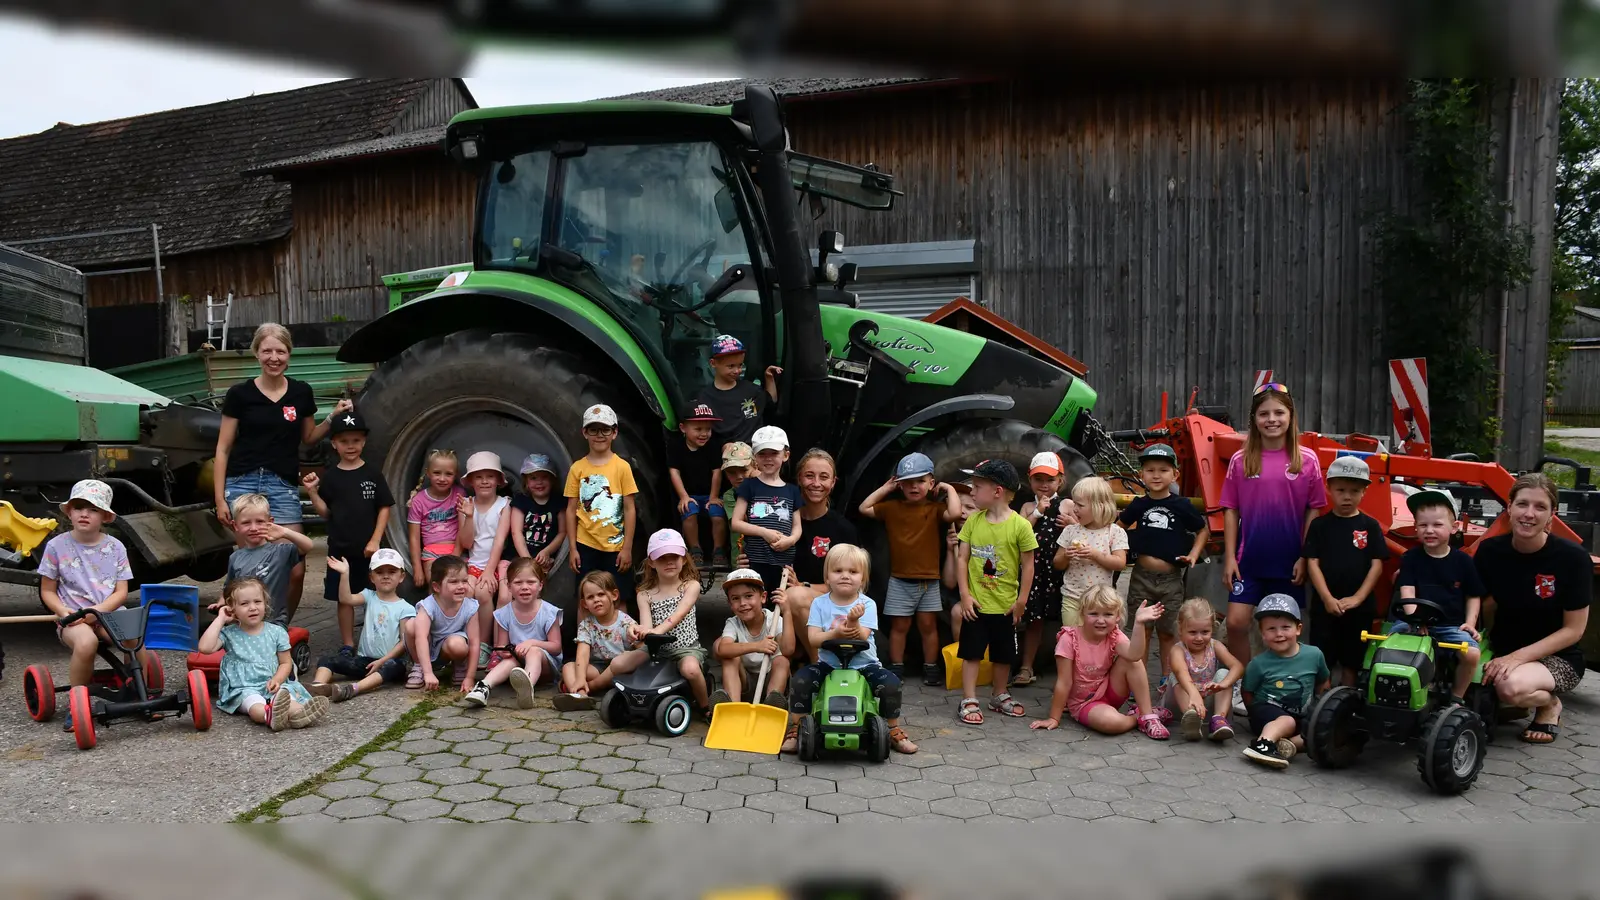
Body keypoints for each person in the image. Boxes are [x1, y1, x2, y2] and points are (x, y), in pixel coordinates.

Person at [214, 322, 352, 623]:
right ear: (256, 354)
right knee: (251, 569)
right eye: (267, 351)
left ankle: (278, 627)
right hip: (242, 485)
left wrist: (333, 417)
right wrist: (221, 500)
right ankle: (249, 630)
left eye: (280, 351)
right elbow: (222, 449)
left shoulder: (301, 393)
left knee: (295, 567)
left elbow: (309, 437)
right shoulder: (239, 394)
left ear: (289, 355)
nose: (273, 357)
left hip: (281, 486)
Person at [1220, 382, 1326, 714]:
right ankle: (1242, 682)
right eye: (1264, 414)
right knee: (1236, 622)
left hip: (1289, 562)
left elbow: (1315, 509)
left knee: (1286, 628)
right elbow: (1230, 510)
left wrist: (1305, 557)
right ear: (1254, 419)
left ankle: (1293, 687)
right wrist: (1228, 557)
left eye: (1279, 412)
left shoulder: (1306, 460)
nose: (1272, 419)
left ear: (1291, 417)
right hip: (1249, 560)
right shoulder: (1241, 461)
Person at [1474, 473, 1593, 744]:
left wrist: (1516, 658)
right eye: (1522, 504)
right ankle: (1509, 701)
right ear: (1509, 508)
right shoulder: (1490, 551)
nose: (1529, 514)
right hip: (1503, 648)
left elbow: (1573, 631)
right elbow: (1479, 603)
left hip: (1556, 658)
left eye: (1540, 507)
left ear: (1552, 515)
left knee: (1510, 687)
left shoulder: (1573, 559)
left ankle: (1548, 704)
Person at [783, 543, 918, 754]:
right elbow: (814, 639)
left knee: (891, 684)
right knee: (801, 680)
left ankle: (892, 728)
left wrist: (854, 620)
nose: (845, 576)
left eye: (853, 572)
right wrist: (835, 634)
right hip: (828, 664)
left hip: (864, 665)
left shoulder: (868, 605)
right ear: (827, 577)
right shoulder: (819, 604)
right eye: (838, 571)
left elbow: (862, 636)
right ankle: (797, 727)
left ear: (862, 579)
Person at [37, 479, 137, 731]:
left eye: (93, 509)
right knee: (87, 642)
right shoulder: (56, 546)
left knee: (133, 637)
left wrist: (97, 613)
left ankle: (140, 692)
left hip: (106, 612)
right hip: (73, 617)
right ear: (69, 511)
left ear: (104, 516)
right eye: (79, 507)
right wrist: (62, 611)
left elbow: (121, 592)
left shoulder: (115, 547)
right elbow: (47, 591)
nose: (84, 513)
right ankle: (77, 702)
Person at [859, 453, 960, 684]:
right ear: (900, 484)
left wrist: (949, 488)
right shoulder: (892, 508)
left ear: (931, 483)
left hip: (929, 581)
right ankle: (896, 668)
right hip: (900, 580)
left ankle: (931, 667)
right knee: (899, 626)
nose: (914, 486)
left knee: (928, 626)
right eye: (908, 482)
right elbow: (864, 508)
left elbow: (954, 513)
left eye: (921, 481)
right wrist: (886, 488)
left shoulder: (935, 509)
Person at [302, 407, 394, 654]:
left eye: (355, 440)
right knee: (344, 598)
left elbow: (385, 507)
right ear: (334, 443)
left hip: (369, 550)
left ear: (363, 441)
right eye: (344, 441)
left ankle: (375, 641)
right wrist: (312, 492)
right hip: (340, 550)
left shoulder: (373, 473)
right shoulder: (331, 477)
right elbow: (325, 512)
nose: (350, 446)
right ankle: (347, 643)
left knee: (374, 596)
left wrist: (376, 540)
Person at [1118, 444, 1208, 688]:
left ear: (1175, 475)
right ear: (1141, 475)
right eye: (1149, 470)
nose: (1156, 475)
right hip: (1141, 578)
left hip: (1171, 581)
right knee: (1142, 631)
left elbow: (1202, 530)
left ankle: (1167, 682)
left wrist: (1193, 554)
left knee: (1169, 632)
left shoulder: (1182, 505)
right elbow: (1118, 528)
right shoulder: (1138, 504)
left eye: (1163, 470)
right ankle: (1139, 681)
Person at [954, 459, 1036, 725]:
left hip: (1005, 606)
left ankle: (999, 694)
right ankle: (969, 698)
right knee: (972, 653)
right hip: (976, 606)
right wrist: (965, 595)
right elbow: (962, 559)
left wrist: (1022, 600)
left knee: (1004, 655)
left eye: (977, 487)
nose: (972, 492)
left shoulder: (1021, 526)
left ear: (997, 491)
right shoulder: (974, 522)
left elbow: (1028, 565)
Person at [1030, 585, 1169, 739]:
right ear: (1083, 613)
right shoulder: (1069, 639)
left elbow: (1135, 655)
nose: (1101, 620)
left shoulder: (1114, 634)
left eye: (1108, 614)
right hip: (1084, 703)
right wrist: (1054, 718)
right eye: (1094, 614)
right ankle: (1138, 717)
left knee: (1131, 661)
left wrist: (1139, 624)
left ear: (1117, 616)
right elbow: (1064, 682)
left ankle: (1148, 715)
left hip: (1110, 691)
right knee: (1111, 724)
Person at [1302, 456, 1390, 687]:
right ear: (1329, 489)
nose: (1347, 496)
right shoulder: (1320, 526)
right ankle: (1321, 704)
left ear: (1364, 492)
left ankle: (1346, 704)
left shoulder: (1370, 526)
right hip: (1325, 607)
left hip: (1359, 609)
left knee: (1352, 660)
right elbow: (1312, 563)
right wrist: (1327, 598)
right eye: (1341, 490)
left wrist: (1357, 598)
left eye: (1354, 490)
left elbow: (1377, 565)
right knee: (1323, 659)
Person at [198, 578, 328, 731]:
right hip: (244, 688)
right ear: (232, 608)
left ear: (265, 604)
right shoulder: (229, 634)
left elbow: (286, 663)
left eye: (257, 602)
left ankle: (299, 714)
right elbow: (205, 648)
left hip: (272, 683)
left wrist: (277, 680)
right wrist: (220, 619)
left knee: (287, 698)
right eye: (244, 604)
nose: (252, 607)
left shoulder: (276, 632)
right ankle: (269, 715)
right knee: (254, 706)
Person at [308, 549, 416, 702]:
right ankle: (317, 688)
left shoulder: (406, 608)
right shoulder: (369, 595)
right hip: (365, 662)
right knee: (327, 659)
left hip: (389, 663)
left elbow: (404, 642)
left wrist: (382, 661)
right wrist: (345, 574)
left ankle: (353, 689)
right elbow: (346, 599)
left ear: (401, 576)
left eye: (392, 571)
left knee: (394, 666)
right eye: (379, 572)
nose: (385, 576)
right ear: (372, 577)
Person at [782, 449, 859, 664]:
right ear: (799, 478)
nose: (816, 483)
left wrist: (803, 586)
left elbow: (852, 585)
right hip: (783, 605)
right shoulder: (782, 523)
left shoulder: (843, 530)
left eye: (824, 477)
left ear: (833, 482)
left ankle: (822, 666)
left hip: (832, 607)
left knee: (795, 596)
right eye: (809, 475)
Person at [1241, 594, 1330, 769]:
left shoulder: (1314, 655)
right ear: (1262, 633)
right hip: (1267, 713)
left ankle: (1286, 746)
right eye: (1271, 629)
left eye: (1285, 627)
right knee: (1286, 721)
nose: (1279, 634)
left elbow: (1323, 681)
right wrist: (1256, 713)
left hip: (1301, 716)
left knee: (1318, 733)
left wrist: (1319, 708)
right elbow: (1247, 692)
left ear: (1298, 628)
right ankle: (1263, 745)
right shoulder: (1258, 663)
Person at [564, 405, 638, 604]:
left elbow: (630, 509)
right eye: (593, 429)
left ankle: (621, 636)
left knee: (619, 597)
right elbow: (571, 510)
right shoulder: (577, 469)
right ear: (584, 433)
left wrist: (627, 548)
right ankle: (583, 636)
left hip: (616, 546)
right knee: (584, 599)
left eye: (605, 429)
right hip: (585, 545)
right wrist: (573, 549)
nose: (599, 435)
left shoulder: (622, 467)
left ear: (614, 433)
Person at [465, 558, 561, 709]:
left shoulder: (549, 612)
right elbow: (501, 646)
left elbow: (556, 647)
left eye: (531, 582)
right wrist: (506, 653)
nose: (524, 587)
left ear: (540, 585)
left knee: (534, 651)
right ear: (509, 587)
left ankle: (527, 686)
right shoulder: (503, 614)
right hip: (518, 664)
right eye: (518, 583)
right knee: (511, 661)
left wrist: (532, 643)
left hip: (546, 667)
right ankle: (483, 687)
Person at [636, 529, 711, 717]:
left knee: (691, 669)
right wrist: (637, 631)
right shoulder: (644, 594)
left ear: (684, 559)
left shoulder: (690, 586)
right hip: (655, 648)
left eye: (674, 556)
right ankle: (590, 689)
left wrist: (657, 631)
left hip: (685, 648)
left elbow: (678, 614)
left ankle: (705, 707)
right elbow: (646, 625)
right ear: (652, 562)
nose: (669, 562)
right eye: (662, 558)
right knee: (621, 664)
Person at [555, 571, 648, 710]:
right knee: (568, 667)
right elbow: (583, 653)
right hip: (597, 667)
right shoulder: (586, 625)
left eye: (601, 594)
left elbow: (640, 648)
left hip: (620, 670)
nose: (596, 600)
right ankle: (581, 695)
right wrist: (580, 678)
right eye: (590, 597)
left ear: (614, 595)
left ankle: (589, 688)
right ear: (584, 603)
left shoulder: (625, 622)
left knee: (618, 666)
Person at [1016, 451, 1068, 688]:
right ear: (1030, 481)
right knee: (1034, 622)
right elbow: (1018, 532)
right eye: (1038, 479)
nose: (1044, 485)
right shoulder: (1027, 507)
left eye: (1050, 480)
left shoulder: (1066, 504)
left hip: (1059, 571)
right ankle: (1026, 667)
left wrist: (1073, 523)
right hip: (1033, 572)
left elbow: (1082, 529)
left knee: (1065, 621)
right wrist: (1037, 512)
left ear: (1060, 481)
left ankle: (1070, 670)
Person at [731, 425, 802, 596]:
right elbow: (736, 522)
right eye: (762, 454)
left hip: (783, 562)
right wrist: (764, 532)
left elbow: (797, 526)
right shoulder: (749, 485)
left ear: (785, 455)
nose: (768, 459)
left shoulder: (792, 490)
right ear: (755, 458)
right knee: (754, 601)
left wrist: (790, 540)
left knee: (780, 604)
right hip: (755, 560)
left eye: (774, 453)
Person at [226, 493, 314, 627]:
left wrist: (285, 532)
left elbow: (308, 545)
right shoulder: (235, 557)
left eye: (260, 521)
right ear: (235, 525)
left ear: (270, 522)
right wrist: (222, 603)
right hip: (244, 622)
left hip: (273, 623)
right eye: (246, 523)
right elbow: (228, 588)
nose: (254, 528)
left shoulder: (281, 551)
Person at [1053, 476, 1129, 631]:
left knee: (1097, 642)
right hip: (1072, 597)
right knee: (1071, 638)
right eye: (1074, 503)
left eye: (1080, 505)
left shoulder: (1114, 532)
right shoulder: (1071, 531)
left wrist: (1096, 555)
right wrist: (1066, 555)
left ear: (1099, 506)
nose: (1074, 509)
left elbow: (1120, 563)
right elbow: (1057, 563)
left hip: (1099, 603)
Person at [1160, 597, 1241, 741]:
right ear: (1180, 629)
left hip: (1206, 700)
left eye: (1205, 632)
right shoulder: (1178, 650)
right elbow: (1181, 672)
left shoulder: (1215, 646)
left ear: (1212, 628)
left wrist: (1224, 683)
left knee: (1224, 673)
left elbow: (1237, 666)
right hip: (1182, 702)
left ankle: (1218, 720)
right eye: (1192, 632)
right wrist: (1194, 694)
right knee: (1175, 677)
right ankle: (1190, 719)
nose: (1199, 638)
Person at [712, 568, 793, 708]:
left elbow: (789, 650)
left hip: (771, 683)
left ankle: (771, 708)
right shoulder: (733, 623)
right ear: (730, 604)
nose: (742, 603)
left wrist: (787, 612)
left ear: (763, 597)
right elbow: (723, 649)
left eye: (748, 596)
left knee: (782, 660)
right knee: (730, 658)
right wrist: (758, 646)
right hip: (744, 684)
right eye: (736, 598)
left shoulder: (774, 619)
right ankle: (732, 708)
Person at [669, 401, 729, 571]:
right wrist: (683, 496)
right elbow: (674, 472)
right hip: (690, 494)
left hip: (709, 493)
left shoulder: (712, 446)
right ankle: (695, 549)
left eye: (708, 429)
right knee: (689, 512)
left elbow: (717, 472)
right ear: (683, 428)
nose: (704, 434)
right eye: (698, 429)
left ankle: (719, 550)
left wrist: (713, 496)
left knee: (717, 514)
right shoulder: (676, 447)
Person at [409, 555, 482, 692]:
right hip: (428, 647)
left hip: (449, 647)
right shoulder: (427, 606)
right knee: (412, 625)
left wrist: (470, 677)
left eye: (465, 581)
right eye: (453, 582)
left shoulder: (470, 607)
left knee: (458, 645)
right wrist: (428, 673)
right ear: (436, 587)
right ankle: (419, 665)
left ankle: (459, 664)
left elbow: (474, 642)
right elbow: (421, 638)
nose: (461, 586)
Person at [459, 450, 512, 641]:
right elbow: (465, 542)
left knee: (482, 593)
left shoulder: (504, 505)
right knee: (466, 591)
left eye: (490, 476)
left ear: (498, 480)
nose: (484, 481)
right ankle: (466, 639)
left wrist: (489, 571)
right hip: (473, 563)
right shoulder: (466, 504)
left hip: (493, 563)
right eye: (478, 477)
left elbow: (499, 541)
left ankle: (483, 642)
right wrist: (469, 516)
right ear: (471, 481)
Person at [702, 334, 780, 450]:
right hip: (726, 455)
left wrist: (769, 379)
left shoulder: (752, 390)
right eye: (731, 366)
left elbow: (770, 402)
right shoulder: (705, 397)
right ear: (713, 363)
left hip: (755, 452)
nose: (737, 370)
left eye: (740, 365)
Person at [407, 449, 466, 589]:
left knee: (461, 586)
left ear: (455, 475)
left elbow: (463, 527)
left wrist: (456, 553)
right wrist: (417, 569)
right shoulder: (419, 501)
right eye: (437, 473)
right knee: (437, 586)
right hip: (431, 552)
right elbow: (414, 538)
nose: (442, 478)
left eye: (448, 474)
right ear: (428, 473)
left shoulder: (459, 494)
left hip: (456, 548)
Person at [510, 454, 567, 573]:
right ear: (526, 481)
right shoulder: (521, 501)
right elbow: (516, 532)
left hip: (544, 556)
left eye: (544, 477)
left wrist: (547, 551)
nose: (539, 482)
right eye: (533, 478)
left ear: (552, 480)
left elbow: (562, 532)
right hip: (521, 554)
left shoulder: (558, 502)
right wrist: (527, 559)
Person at [941, 486, 979, 645]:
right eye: (959, 506)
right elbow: (950, 583)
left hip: (992, 594)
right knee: (958, 611)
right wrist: (951, 551)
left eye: (969, 507)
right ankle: (962, 661)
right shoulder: (955, 537)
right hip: (966, 597)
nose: (962, 512)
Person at [720, 442, 754, 563]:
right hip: (740, 559)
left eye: (744, 470)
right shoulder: (730, 496)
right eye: (732, 472)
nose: (739, 476)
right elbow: (743, 520)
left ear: (755, 466)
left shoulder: (766, 491)